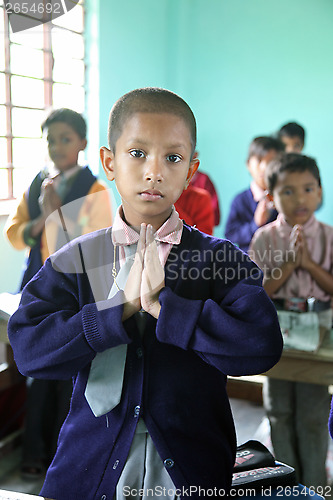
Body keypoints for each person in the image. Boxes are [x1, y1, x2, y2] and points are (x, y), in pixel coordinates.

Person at [8, 88, 283, 500]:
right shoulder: (77, 259)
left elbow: (261, 346)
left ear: (191, 171)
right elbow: (28, 348)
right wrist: (118, 311)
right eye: (137, 153)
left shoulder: (219, 258)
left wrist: (166, 307)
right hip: (89, 466)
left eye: (172, 158)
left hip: (192, 469)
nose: (154, 171)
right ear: (109, 163)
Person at [5, 108, 113, 479]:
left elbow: (89, 247)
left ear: (83, 143)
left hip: (77, 293)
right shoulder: (37, 183)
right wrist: (42, 215)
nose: (56, 147)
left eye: (65, 139)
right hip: (37, 288)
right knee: (37, 368)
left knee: (69, 371)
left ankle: (62, 455)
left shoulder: (96, 190)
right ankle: (34, 453)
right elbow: (16, 234)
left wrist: (53, 213)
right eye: (51, 140)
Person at [249, 153, 333, 488]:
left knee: (313, 416)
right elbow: (256, 293)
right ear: (271, 197)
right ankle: (286, 487)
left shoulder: (330, 236)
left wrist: (310, 265)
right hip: (278, 333)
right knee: (279, 412)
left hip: (320, 332)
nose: (299, 198)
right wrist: (286, 266)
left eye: (308, 189)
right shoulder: (264, 239)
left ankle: (315, 488)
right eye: (288, 191)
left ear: (320, 192)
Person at [225, 136, 285, 252]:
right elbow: (231, 234)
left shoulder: (285, 198)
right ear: (248, 164)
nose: (264, 167)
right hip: (249, 264)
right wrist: (255, 224)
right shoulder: (240, 201)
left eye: (271, 162)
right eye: (259, 161)